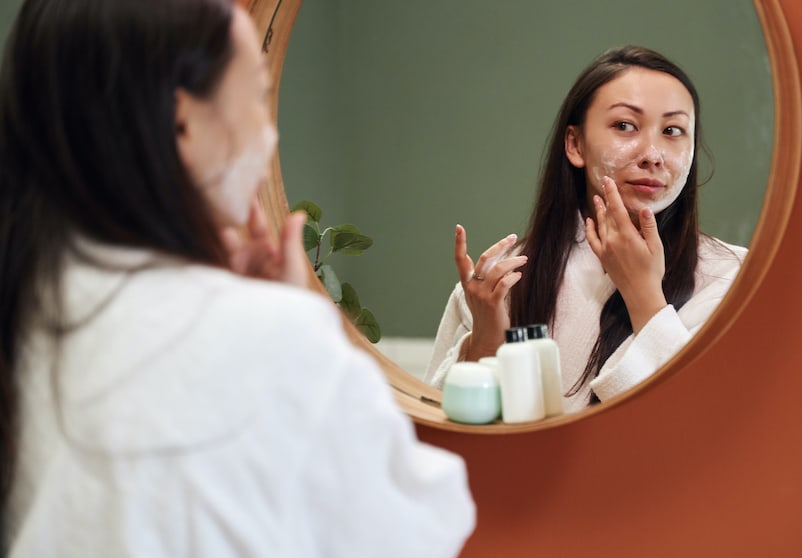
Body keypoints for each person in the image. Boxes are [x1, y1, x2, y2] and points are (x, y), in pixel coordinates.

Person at [0, 0, 473, 555]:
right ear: (183, 123)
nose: (268, 131)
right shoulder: (261, 337)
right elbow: (419, 528)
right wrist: (301, 326)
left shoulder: (30, 307)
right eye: (256, 94)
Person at [426, 46, 746, 414]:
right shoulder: (502, 282)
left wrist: (644, 297)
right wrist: (485, 341)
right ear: (575, 145)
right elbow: (442, 432)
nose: (652, 154)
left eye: (673, 130)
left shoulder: (733, 278)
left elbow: (710, 425)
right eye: (625, 125)